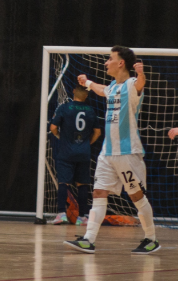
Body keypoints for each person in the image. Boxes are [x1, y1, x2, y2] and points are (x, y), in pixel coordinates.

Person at [65, 46, 160, 254]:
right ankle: (88, 239)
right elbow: (102, 90)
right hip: (107, 153)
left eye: (110, 59)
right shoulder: (112, 87)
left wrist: (141, 74)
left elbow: (140, 84)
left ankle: (151, 239)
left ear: (121, 63)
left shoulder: (131, 84)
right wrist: (87, 83)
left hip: (127, 153)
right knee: (99, 192)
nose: (106, 62)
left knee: (136, 197)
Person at [50, 85, 101, 225]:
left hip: (66, 151)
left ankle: (61, 214)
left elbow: (53, 127)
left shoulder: (64, 108)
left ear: (73, 91)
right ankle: (82, 217)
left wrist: (59, 137)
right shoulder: (90, 110)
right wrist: (88, 143)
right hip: (83, 152)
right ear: (87, 95)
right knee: (82, 184)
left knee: (63, 182)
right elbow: (98, 132)